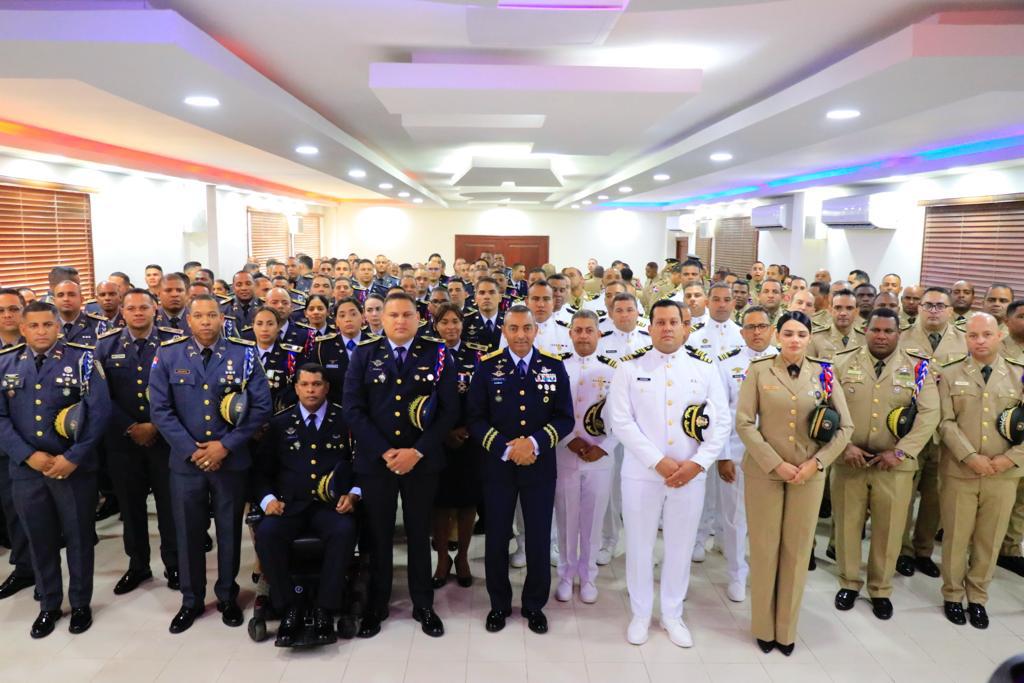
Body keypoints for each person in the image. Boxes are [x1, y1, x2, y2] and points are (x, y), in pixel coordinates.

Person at [608, 299, 729, 648]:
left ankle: (672, 614)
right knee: (640, 545)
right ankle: (641, 613)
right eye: (659, 322)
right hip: (642, 474)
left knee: (679, 546)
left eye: (673, 322)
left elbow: (720, 422)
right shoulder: (629, 368)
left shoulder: (705, 369)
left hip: (690, 476)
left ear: (685, 327)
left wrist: (698, 463)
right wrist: (657, 461)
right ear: (650, 327)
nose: (666, 328)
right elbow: (621, 422)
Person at [149, 294, 273, 634]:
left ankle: (227, 596)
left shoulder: (243, 353)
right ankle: (191, 600)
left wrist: (225, 446)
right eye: (199, 316)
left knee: (229, 531)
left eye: (212, 315)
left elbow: (261, 407)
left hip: (229, 461)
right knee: (188, 532)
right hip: (186, 463)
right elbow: (159, 409)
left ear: (223, 318)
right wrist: (193, 450)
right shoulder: (169, 354)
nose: (206, 321)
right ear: (189, 321)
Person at [736, 310, 852, 656]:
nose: (794, 340)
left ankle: (786, 630)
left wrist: (816, 463)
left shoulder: (825, 374)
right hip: (765, 473)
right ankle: (763, 627)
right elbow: (744, 423)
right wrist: (776, 463)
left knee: (797, 551)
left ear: (810, 337)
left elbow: (846, 428)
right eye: (787, 333)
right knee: (765, 549)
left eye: (801, 334)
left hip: (808, 475)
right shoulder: (759, 371)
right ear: (776, 335)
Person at [343, 292, 458, 639]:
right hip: (376, 463)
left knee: (419, 533)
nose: (400, 321)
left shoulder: (438, 353)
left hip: (421, 462)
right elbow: (352, 409)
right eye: (393, 315)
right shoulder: (365, 354)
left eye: (407, 314)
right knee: (377, 535)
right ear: (379, 319)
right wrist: (386, 451)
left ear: (419, 318)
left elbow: (449, 410)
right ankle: (377, 605)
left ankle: (423, 603)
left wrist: (416, 451)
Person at [0, 301, 111, 638]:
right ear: (23, 328)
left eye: (47, 325)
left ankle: (80, 604)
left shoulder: (84, 359)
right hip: (27, 471)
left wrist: (73, 456)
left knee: (79, 539)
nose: (41, 331)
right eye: (33, 326)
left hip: (73, 468)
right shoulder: (6, 363)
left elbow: (99, 412)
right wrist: (27, 455)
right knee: (39, 539)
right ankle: (49, 604)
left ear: (57, 327)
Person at [467, 304, 573, 635]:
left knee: (539, 537)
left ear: (535, 331)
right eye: (513, 328)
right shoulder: (487, 367)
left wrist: (535, 444)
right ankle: (499, 604)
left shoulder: (553, 367)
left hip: (539, 467)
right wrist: (507, 448)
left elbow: (565, 417)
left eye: (526, 328)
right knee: (497, 537)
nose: (520, 335)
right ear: (505, 331)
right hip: (498, 468)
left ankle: (533, 605)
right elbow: (475, 418)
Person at [831, 308, 939, 620]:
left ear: (898, 333)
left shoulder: (919, 368)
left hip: (894, 465)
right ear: (865, 330)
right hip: (850, 461)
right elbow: (825, 408)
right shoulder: (841, 362)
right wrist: (844, 445)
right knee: (847, 525)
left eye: (887, 331)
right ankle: (849, 582)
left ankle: (880, 589)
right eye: (875, 330)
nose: (881, 336)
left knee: (889, 530)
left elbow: (929, 414)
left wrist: (902, 452)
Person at [253, 363, 359, 647]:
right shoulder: (279, 423)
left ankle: (325, 608)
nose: (311, 390)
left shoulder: (345, 420)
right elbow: (261, 472)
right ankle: (289, 607)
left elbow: (358, 465)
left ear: (326, 387)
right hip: (289, 506)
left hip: (329, 507)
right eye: (305, 384)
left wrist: (354, 494)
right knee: (267, 533)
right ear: (296, 387)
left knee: (344, 530)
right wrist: (268, 500)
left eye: (317, 384)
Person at [938, 313, 1024, 629]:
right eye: (973, 335)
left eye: (987, 334)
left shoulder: (1019, 375)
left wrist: (1010, 459)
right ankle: (951, 594)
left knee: (989, 539)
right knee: (956, 537)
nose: (980, 341)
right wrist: (969, 455)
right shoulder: (949, 374)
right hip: (960, 470)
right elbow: (945, 422)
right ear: (966, 338)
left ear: (1000, 334)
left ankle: (977, 597)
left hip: (1003, 474)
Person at [95, 289, 181, 596]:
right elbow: (101, 394)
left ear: (155, 309)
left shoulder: (174, 342)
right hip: (123, 441)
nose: (138, 312)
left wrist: (155, 425)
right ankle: (138, 565)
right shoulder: (106, 345)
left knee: (170, 507)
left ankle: (174, 564)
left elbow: (180, 390)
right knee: (131, 508)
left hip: (165, 440)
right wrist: (131, 426)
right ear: (123, 312)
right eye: (131, 308)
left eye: (144, 307)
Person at [897, 286, 967, 578]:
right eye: (928, 305)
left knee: (934, 497)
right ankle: (902, 550)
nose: (934, 311)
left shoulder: (964, 342)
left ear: (951, 310)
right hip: (909, 428)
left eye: (940, 306)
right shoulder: (901, 338)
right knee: (903, 495)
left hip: (947, 433)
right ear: (919, 308)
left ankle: (923, 550)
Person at [553, 310, 618, 605]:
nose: (582, 336)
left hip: (600, 456)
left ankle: (589, 575)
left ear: (598, 334)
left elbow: (624, 417)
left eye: (588, 330)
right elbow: (550, 411)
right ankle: (566, 575)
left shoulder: (614, 371)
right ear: (570, 334)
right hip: (564, 453)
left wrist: (604, 446)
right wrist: (568, 439)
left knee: (592, 519)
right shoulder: (557, 368)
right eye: (577, 330)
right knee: (566, 517)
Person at [714, 306, 778, 602]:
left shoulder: (785, 359)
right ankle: (737, 574)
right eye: (750, 327)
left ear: (771, 329)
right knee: (735, 518)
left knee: (770, 519)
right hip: (738, 452)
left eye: (762, 326)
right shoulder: (727, 364)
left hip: (779, 454)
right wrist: (723, 455)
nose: (756, 332)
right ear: (742, 332)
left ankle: (767, 573)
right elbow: (720, 412)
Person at [430, 303, 480, 590]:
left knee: (467, 501)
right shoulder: (428, 353)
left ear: (462, 324)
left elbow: (482, 397)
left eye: (456, 322)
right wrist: (443, 431)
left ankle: (461, 557)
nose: (451, 327)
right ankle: (440, 560)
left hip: (469, 438)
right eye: (445, 322)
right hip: (438, 439)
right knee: (440, 502)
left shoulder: (476, 355)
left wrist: (466, 429)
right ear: (436, 326)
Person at [0, 289, 32, 601]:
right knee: (13, 511)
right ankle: (25, 567)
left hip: (45, 450)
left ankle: (37, 567)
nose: (8, 315)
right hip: (6, 446)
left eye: (14, 309)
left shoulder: (44, 346)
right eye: (2, 311)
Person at [251, 307, 301, 411]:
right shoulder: (243, 354)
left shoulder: (291, 355)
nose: (264, 329)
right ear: (253, 326)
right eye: (259, 324)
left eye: (270, 324)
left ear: (278, 327)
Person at [809, 289, 860, 360]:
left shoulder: (864, 339)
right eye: (838, 308)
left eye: (849, 308)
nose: (843, 313)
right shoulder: (815, 337)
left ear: (856, 312)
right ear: (830, 310)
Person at [462, 277, 504, 352]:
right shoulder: (465, 322)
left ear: (500, 297)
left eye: (492, 292)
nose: (486, 297)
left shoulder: (508, 321)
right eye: (482, 293)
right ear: (475, 298)